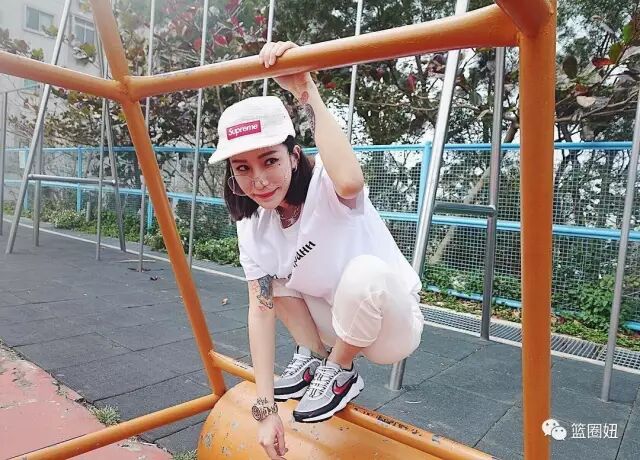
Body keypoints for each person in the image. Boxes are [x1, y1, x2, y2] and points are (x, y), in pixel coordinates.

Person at [208, 41, 425, 459]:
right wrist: (265, 412)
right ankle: (313, 356)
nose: (259, 181)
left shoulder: (327, 187)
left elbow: (351, 182)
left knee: (364, 273)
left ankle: (340, 371)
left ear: (293, 156)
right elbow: (261, 310)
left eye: (270, 161)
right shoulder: (253, 226)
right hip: (333, 320)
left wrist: (306, 91)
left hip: (389, 326)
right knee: (271, 280)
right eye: (243, 168)